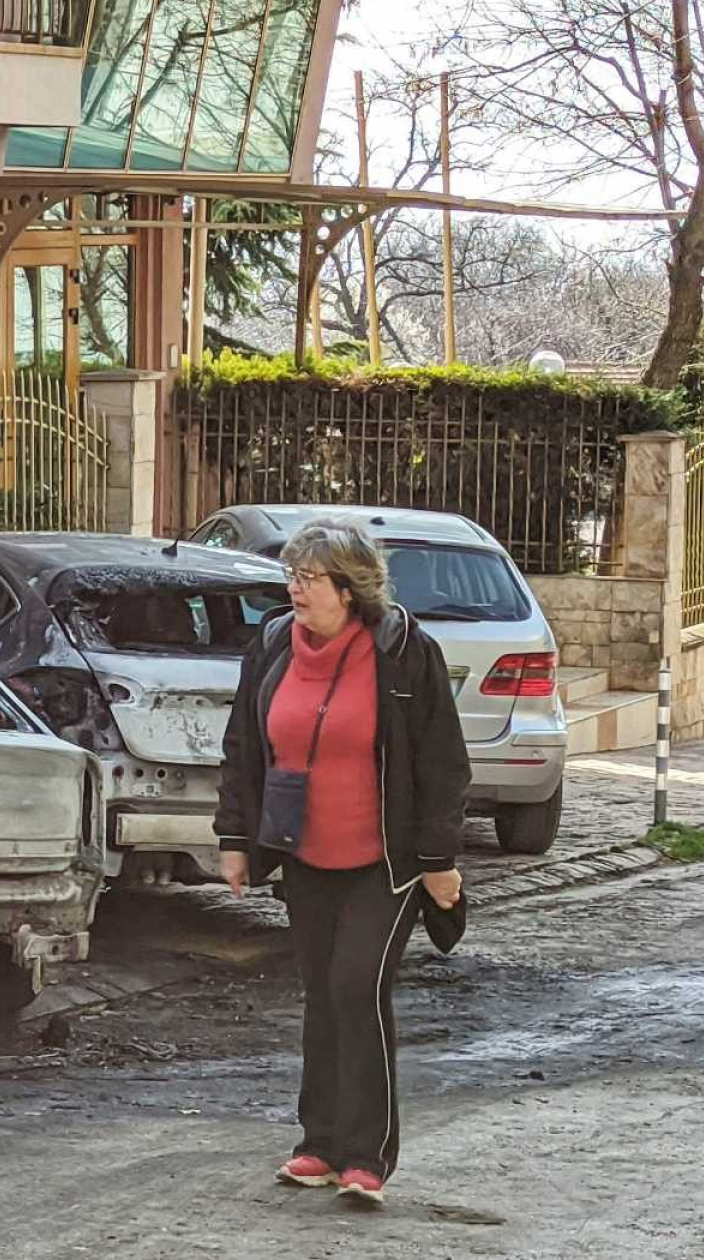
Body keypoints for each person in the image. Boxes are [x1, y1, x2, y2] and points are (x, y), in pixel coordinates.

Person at [213, 516, 470, 1207]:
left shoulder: (403, 651)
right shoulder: (271, 646)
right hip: (305, 854)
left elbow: (443, 763)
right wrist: (235, 839)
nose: (294, 588)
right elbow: (243, 747)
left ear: (349, 589)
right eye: (291, 575)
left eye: (309, 578)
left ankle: (368, 1156)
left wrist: (440, 858)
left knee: (357, 988)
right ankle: (318, 1144)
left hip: (385, 862)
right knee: (322, 994)